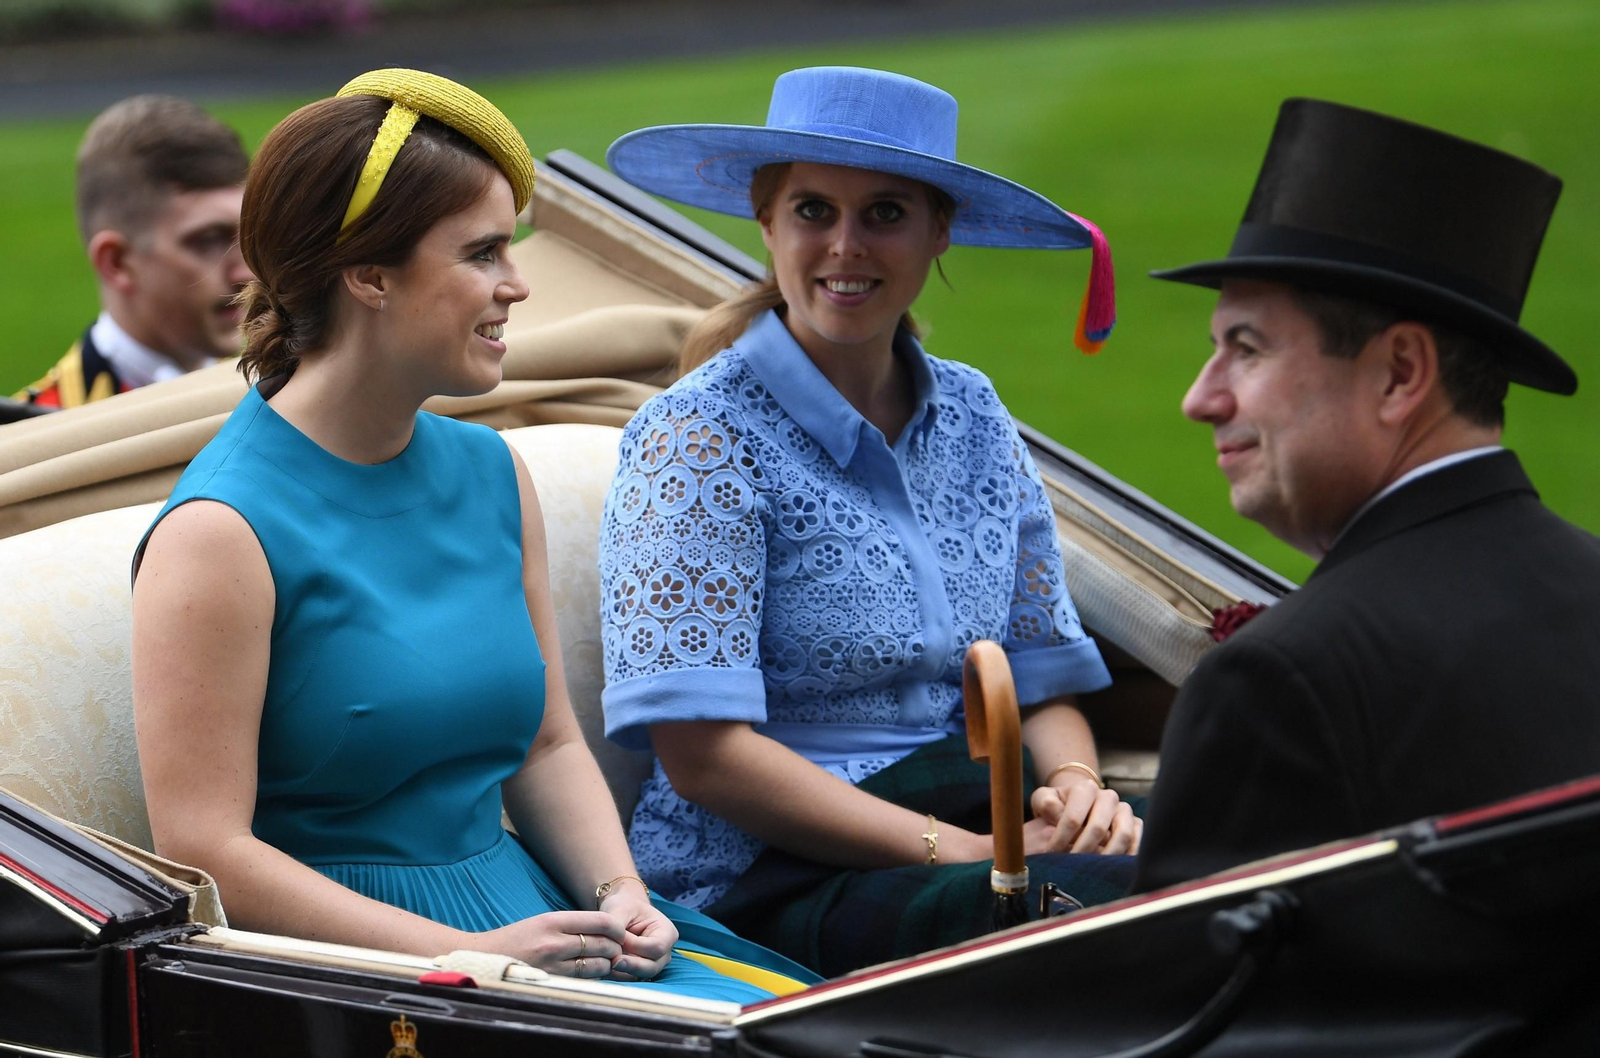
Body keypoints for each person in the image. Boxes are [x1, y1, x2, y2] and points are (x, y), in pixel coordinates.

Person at [130, 68, 813, 1001]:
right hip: (371, 972)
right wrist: (464, 959)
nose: (518, 286)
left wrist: (621, 893)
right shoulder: (219, 533)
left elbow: (546, 747)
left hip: (535, 916)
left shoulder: (492, 472)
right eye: (484, 252)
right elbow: (206, 851)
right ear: (368, 274)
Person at [598, 66, 1140, 977]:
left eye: (885, 213)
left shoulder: (973, 411)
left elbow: (1040, 674)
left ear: (939, 232)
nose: (845, 246)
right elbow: (703, 759)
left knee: (1215, 871)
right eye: (814, 211)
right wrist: (962, 851)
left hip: (970, 813)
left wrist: (1080, 794)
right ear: (766, 223)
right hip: (764, 873)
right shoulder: (695, 437)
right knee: (1100, 909)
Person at [1133, 99, 1600, 893]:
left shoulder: (1281, 680)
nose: (1200, 398)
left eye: (1245, 349)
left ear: (1400, 375)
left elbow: (1187, 1003)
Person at [15, 96, 252, 409]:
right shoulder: (30, 443)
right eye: (208, 240)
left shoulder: (270, 393)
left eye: (249, 236)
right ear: (117, 263)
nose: (246, 271)